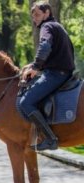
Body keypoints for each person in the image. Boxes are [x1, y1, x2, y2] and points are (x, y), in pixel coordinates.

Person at [19, 1, 75, 151]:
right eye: (33, 16)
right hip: (63, 72)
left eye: (37, 14)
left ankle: (50, 139)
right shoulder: (57, 27)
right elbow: (54, 54)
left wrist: (36, 67)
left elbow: (45, 46)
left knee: (26, 102)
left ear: (47, 13)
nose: (34, 18)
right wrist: (32, 65)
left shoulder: (47, 26)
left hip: (56, 74)